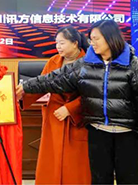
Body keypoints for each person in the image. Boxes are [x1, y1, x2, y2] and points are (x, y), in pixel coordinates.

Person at [17, 20, 138, 185]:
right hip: (98, 132)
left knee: (128, 179)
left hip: (127, 133)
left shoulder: (133, 65)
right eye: (91, 39)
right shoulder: (86, 64)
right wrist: (26, 86)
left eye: (96, 39)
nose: (92, 43)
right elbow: (55, 78)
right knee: (99, 179)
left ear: (110, 38)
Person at [21, 26, 91, 184]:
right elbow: (41, 85)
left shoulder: (89, 62)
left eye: (62, 43)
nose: (58, 47)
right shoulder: (53, 61)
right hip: (54, 118)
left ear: (75, 43)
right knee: (51, 162)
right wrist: (22, 95)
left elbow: (93, 93)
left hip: (77, 119)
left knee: (74, 165)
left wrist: (70, 108)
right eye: (56, 43)